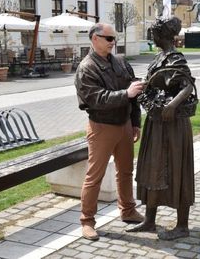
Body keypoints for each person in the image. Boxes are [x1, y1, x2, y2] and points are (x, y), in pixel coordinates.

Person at [127, 17, 196, 240]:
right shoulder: (159, 57)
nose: (151, 37)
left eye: (153, 33)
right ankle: (149, 221)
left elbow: (187, 87)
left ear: (163, 35)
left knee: (177, 168)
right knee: (152, 167)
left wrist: (171, 106)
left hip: (173, 125)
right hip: (156, 124)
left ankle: (182, 225)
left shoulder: (175, 57)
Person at [75, 23, 145, 240]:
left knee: (125, 172)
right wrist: (126, 94)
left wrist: (135, 123)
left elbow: (134, 95)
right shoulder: (87, 68)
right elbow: (96, 99)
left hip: (123, 124)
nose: (113, 42)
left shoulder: (120, 62)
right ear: (95, 39)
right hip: (101, 127)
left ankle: (128, 210)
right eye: (108, 38)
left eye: (114, 38)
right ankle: (87, 221)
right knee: (94, 177)